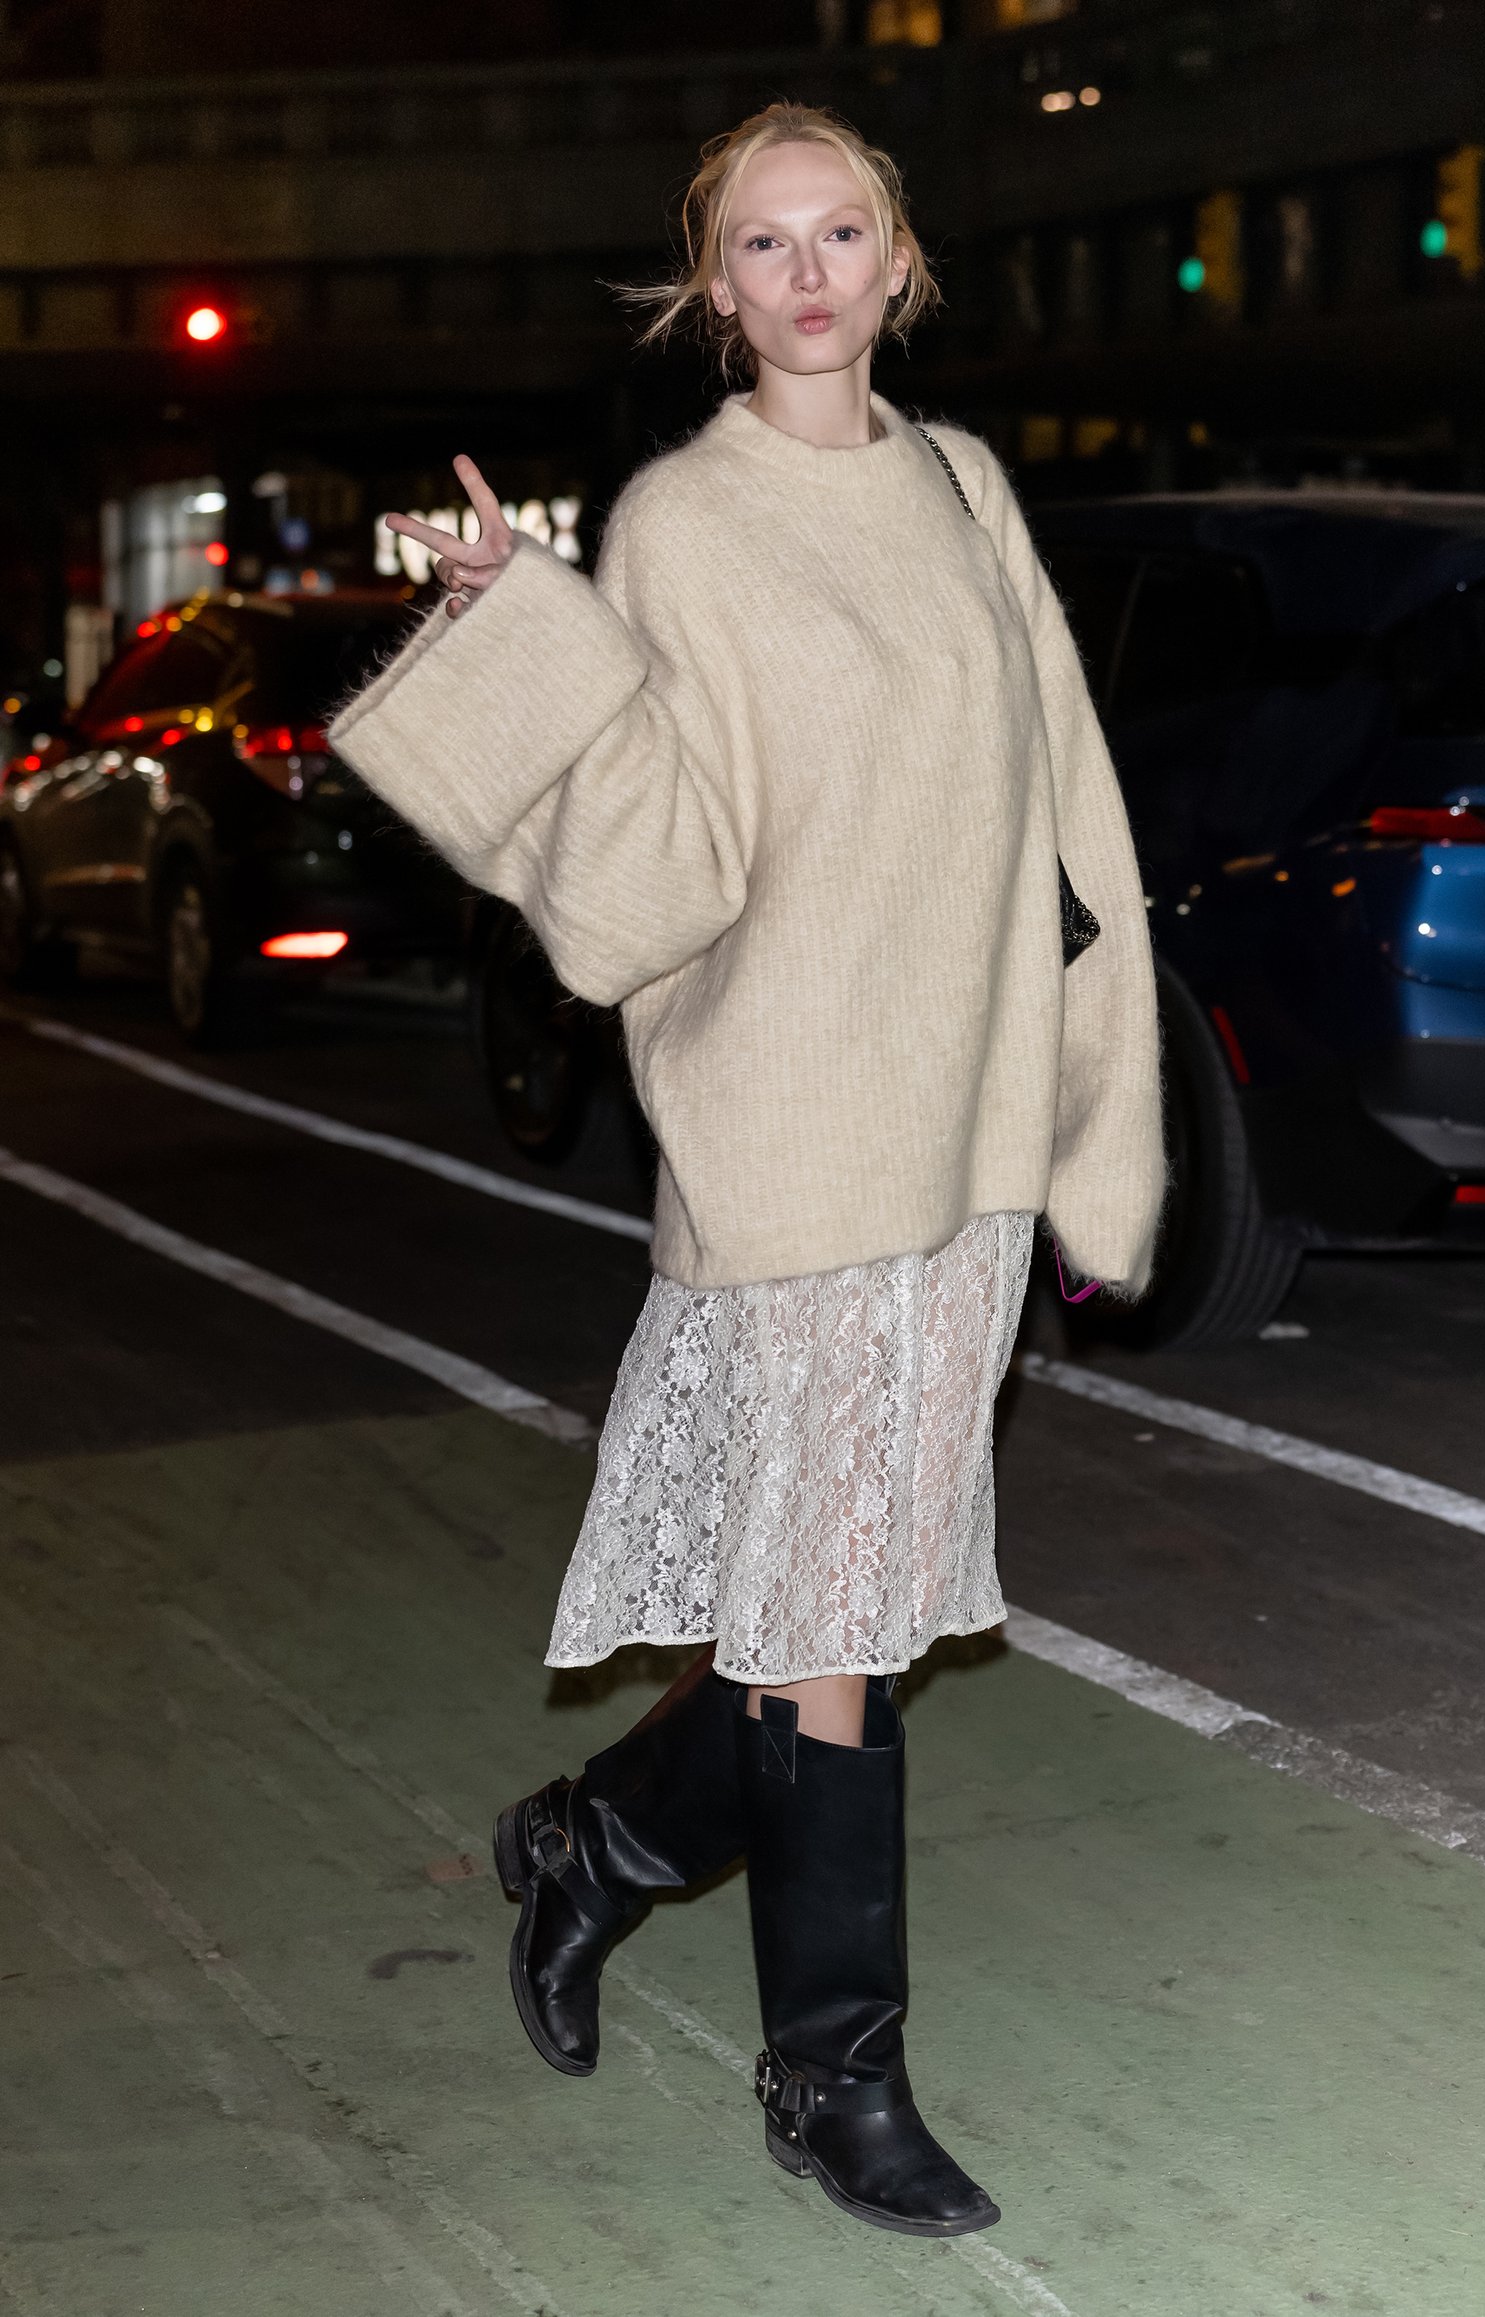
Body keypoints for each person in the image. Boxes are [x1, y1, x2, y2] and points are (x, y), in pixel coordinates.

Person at [330, 99, 1163, 2241]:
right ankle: (835, 2080)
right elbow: (656, 860)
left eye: (842, 233)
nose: (805, 275)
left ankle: (596, 1844)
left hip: (959, 1124)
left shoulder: (967, 488)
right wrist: (537, 621)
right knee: (827, 1633)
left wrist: (1092, 1105)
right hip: (792, 1127)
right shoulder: (684, 520)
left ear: (904, 261)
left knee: (851, 1621)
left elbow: (1068, 815)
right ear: (713, 289)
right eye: (762, 245)